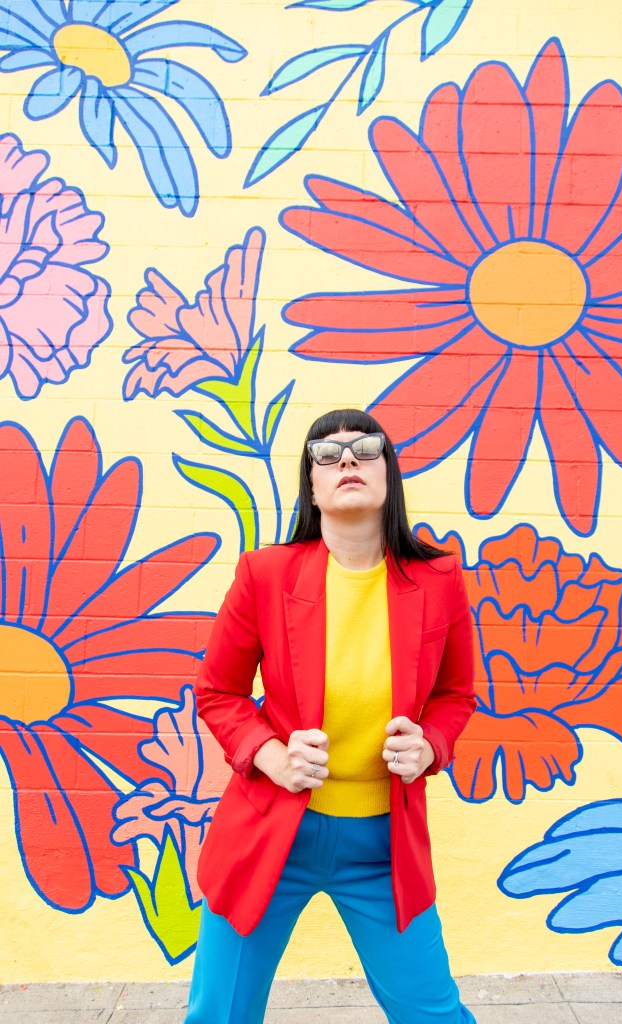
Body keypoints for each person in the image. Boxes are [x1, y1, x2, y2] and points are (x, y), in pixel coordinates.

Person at [185, 409, 478, 1024]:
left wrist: (430, 746)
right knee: (220, 1013)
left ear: (389, 474)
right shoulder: (264, 575)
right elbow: (218, 692)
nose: (347, 459)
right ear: (312, 487)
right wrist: (271, 756)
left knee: (433, 1014)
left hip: (384, 845)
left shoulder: (440, 578)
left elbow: (456, 695)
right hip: (270, 832)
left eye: (366, 448)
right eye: (327, 453)